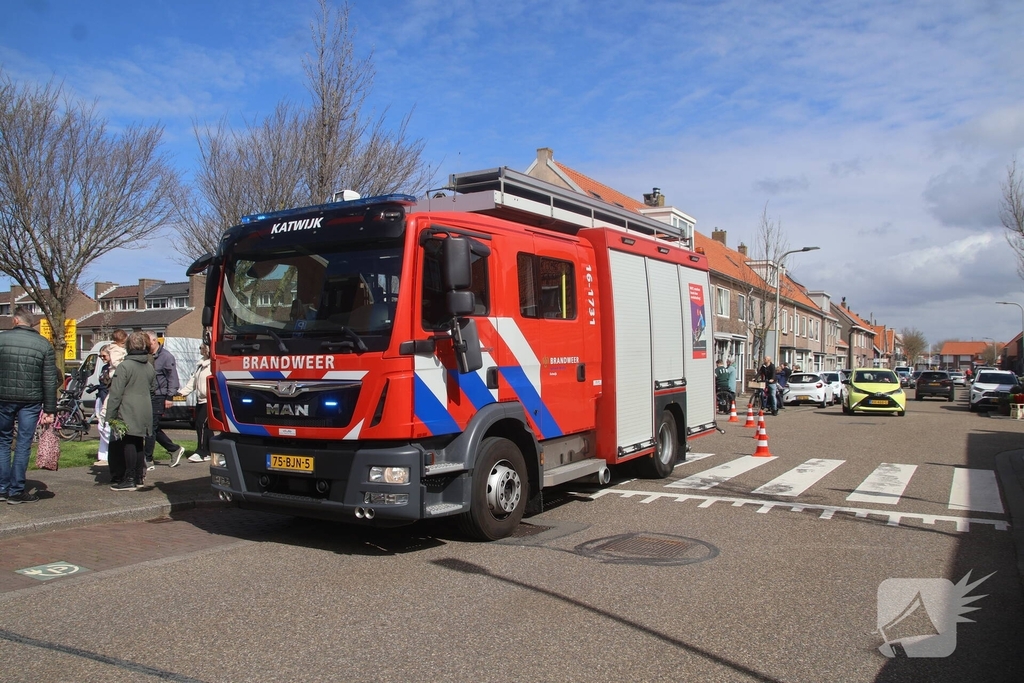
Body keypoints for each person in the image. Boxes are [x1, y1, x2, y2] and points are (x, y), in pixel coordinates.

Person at [0, 307, 60, 504]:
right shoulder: (43, 345)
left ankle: (2, 487)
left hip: (4, 398)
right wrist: (50, 410)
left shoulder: (2, 339)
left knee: (3, 442)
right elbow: (50, 380)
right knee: (24, 443)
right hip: (31, 401)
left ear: (16, 321)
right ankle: (16, 490)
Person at [105, 332, 156, 491]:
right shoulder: (149, 366)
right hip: (145, 407)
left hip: (127, 407)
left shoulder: (125, 366)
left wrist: (110, 415)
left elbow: (115, 393)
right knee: (138, 442)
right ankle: (138, 477)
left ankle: (129, 478)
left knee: (128, 442)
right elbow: (153, 389)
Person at [144, 331, 185, 468]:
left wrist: (169, 397)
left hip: (160, 395)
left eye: (147, 342)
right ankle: (173, 449)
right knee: (152, 427)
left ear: (154, 341)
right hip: (148, 395)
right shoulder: (147, 356)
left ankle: (147, 458)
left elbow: (173, 378)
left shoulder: (166, 356)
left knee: (151, 427)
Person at [179, 343, 212, 464]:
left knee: (201, 424)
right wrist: (182, 393)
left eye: (202, 348)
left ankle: (201, 452)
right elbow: (193, 381)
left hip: (210, 400)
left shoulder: (213, 364)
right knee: (206, 426)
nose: (200, 349)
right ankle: (209, 451)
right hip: (200, 400)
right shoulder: (200, 364)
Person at [94, 345, 113, 466]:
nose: (102, 358)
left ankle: (112, 452)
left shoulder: (114, 368)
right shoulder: (105, 367)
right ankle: (103, 456)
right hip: (101, 398)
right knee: (101, 427)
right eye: (100, 356)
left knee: (107, 428)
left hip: (108, 399)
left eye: (104, 355)